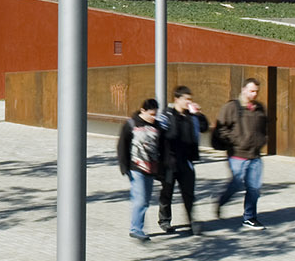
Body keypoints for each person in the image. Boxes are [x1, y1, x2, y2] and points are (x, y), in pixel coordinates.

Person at [213, 77, 270, 230]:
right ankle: (221, 201)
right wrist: (236, 140)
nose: (254, 94)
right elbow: (221, 128)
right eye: (251, 91)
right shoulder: (232, 107)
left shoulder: (259, 108)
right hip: (237, 154)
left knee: (254, 188)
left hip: (255, 155)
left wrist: (263, 140)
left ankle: (249, 218)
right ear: (244, 89)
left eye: (257, 91)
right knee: (236, 184)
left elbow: (265, 128)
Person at [156, 86, 205, 234]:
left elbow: (204, 127)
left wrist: (198, 114)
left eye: (190, 99)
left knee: (189, 193)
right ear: (177, 99)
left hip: (186, 161)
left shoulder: (191, 116)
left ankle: (192, 221)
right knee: (167, 192)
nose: (189, 102)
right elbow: (165, 134)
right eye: (186, 99)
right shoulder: (167, 115)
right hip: (169, 162)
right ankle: (165, 221)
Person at [115, 98, 162, 242]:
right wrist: (124, 167)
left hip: (151, 168)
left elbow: (162, 147)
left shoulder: (158, 126)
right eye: (151, 114)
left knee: (145, 200)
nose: (153, 117)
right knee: (140, 199)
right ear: (143, 111)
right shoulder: (131, 124)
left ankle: (137, 227)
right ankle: (136, 229)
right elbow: (122, 145)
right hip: (136, 168)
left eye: (155, 114)